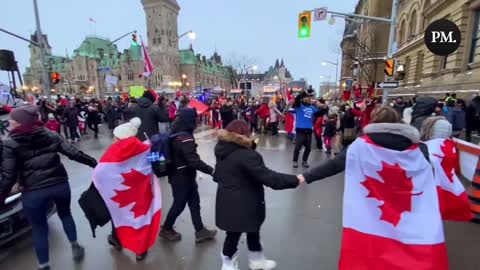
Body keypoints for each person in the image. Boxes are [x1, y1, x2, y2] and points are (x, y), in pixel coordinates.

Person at [0, 105, 97, 270]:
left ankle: (44, 265)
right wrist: (95, 163)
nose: (10, 123)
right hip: (59, 184)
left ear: (21, 122)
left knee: (39, 228)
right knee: (66, 215)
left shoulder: (10, 144)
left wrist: (1, 198)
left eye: (13, 120)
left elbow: (8, 176)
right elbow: (74, 153)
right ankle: (75, 246)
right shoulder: (51, 134)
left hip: (33, 191)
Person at [213, 120, 302, 270]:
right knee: (243, 233)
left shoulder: (223, 149)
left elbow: (223, 172)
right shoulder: (247, 155)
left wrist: (250, 147)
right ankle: (238, 263)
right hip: (246, 202)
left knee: (242, 232)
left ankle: (243, 262)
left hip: (227, 201)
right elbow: (268, 177)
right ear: (244, 135)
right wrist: (294, 180)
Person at [159, 107, 217, 243]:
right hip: (182, 176)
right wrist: (211, 171)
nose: (196, 120)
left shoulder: (175, 133)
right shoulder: (185, 138)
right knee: (179, 204)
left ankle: (200, 230)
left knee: (194, 203)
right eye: (194, 118)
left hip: (180, 174)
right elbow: (193, 161)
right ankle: (166, 229)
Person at [291, 91, 319, 168]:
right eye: (306, 97)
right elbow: (296, 100)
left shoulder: (312, 108)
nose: (308, 98)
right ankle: (295, 161)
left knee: (308, 148)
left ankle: (304, 161)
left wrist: (324, 108)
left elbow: (319, 113)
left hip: (309, 131)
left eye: (309, 97)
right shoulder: (299, 106)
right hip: (300, 130)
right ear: (302, 99)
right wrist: (302, 94)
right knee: (297, 147)